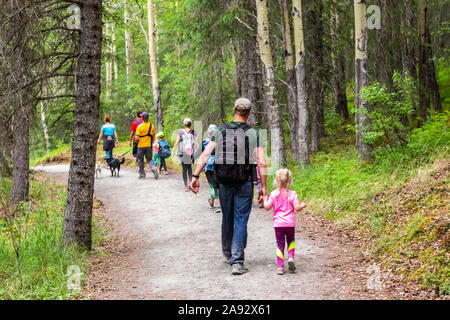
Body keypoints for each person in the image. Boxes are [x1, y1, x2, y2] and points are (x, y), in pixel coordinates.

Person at [190, 98, 267, 275]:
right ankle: (237, 260)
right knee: (240, 220)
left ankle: (228, 252)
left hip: (223, 182)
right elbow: (262, 162)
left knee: (227, 217)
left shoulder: (220, 130)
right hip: (244, 182)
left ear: (234, 110)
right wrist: (263, 187)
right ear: (249, 113)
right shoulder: (254, 133)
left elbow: (205, 154)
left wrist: (195, 176)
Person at [263, 168, 307, 275]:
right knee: (291, 241)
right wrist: (303, 205)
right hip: (290, 224)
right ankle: (291, 257)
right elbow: (296, 208)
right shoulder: (293, 194)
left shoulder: (273, 194)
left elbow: (267, 207)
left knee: (280, 244)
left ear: (277, 181)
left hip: (278, 224)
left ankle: (280, 267)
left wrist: (264, 199)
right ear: (289, 181)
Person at [174, 118, 198, 191]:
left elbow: (177, 141)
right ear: (190, 124)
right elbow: (196, 143)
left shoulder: (180, 132)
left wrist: (174, 150)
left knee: (184, 169)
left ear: (184, 124)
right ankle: (191, 184)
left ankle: (185, 186)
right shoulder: (194, 132)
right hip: (190, 152)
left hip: (183, 152)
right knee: (189, 168)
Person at [135, 112, 159, 179]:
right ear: (147, 118)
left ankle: (142, 174)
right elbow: (153, 135)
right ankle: (153, 168)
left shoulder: (139, 127)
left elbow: (137, 137)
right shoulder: (152, 126)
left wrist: (136, 138)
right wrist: (153, 142)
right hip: (149, 146)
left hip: (140, 146)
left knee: (140, 160)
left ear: (142, 118)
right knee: (149, 159)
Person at [202, 124, 220, 212]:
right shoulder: (221, 141)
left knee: (213, 186)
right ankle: (214, 203)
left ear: (209, 133)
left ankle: (216, 203)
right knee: (217, 185)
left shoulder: (205, 141)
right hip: (218, 165)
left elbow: (202, 154)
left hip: (209, 166)